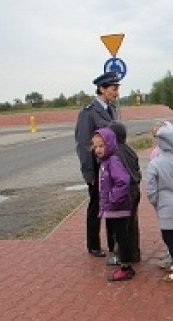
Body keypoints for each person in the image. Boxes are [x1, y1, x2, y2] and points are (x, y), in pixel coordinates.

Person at [74, 71, 120, 257]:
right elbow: (84, 144)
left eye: (117, 88)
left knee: (113, 204)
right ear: (102, 89)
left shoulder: (112, 109)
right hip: (97, 168)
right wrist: (89, 173)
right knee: (96, 206)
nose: (116, 92)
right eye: (113, 88)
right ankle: (93, 244)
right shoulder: (89, 113)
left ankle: (113, 242)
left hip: (112, 167)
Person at [146, 122, 173, 282]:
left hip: (165, 206)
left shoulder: (155, 163)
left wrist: (155, 202)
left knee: (169, 237)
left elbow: (151, 188)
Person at [91, 127, 135, 281]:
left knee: (121, 235)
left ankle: (126, 266)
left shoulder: (113, 161)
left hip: (118, 207)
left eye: (101, 146)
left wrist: (113, 198)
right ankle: (124, 263)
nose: (97, 150)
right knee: (118, 235)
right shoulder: (103, 162)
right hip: (112, 207)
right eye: (95, 146)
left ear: (109, 144)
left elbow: (123, 181)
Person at [108, 122, 142, 265]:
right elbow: (137, 170)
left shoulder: (115, 153)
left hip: (124, 193)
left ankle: (124, 256)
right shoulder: (129, 150)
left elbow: (118, 177)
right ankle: (134, 253)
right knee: (132, 224)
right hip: (134, 190)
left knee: (122, 227)